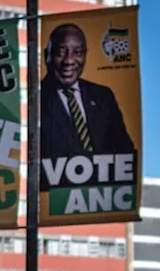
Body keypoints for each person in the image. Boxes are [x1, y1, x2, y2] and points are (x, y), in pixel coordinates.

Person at [40, 23, 135, 166]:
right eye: (61, 52)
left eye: (77, 52)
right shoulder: (35, 98)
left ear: (85, 55)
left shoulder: (103, 96)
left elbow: (125, 150)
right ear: (47, 55)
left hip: (103, 185)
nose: (69, 61)